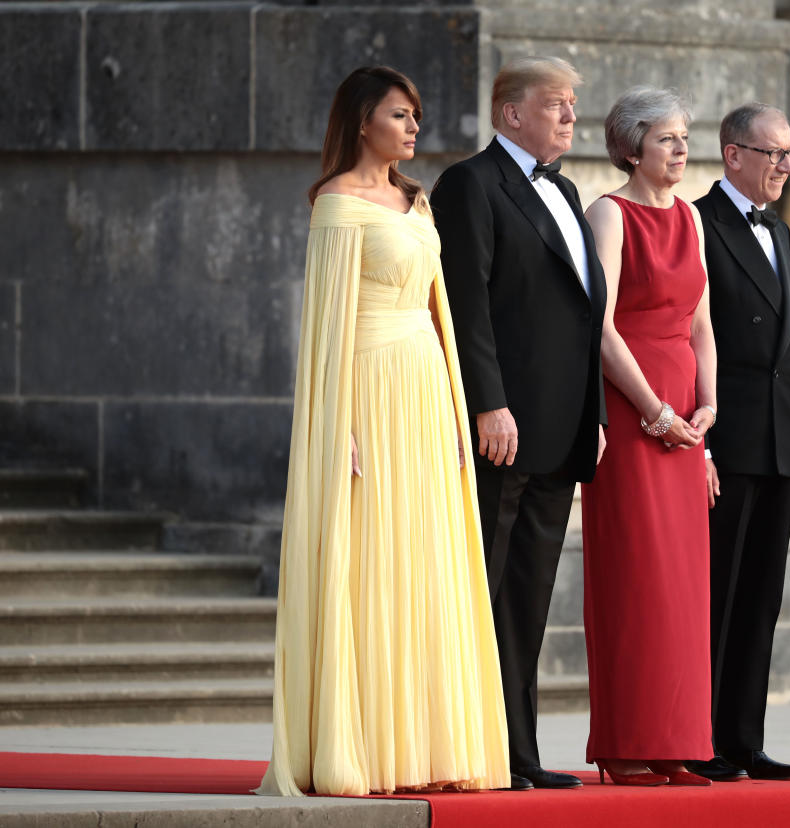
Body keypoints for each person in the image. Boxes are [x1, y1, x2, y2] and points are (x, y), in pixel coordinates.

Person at [256, 66, 509, 797]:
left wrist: (459, 413)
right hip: (367, 391)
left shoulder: (418, 202)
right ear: (362, 121)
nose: (412, 127)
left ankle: (427, 747)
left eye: (415, 116)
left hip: (428, 390)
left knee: (426, 561)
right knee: (370, 562)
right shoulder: (336, 205)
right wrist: (342, 426)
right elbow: (324, 332)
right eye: (399, 115)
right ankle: (361, 744)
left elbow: (441, 313)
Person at [429, 56, 607, 791]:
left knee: (528, 598)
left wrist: (592, 412)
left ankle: (519, 754)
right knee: (483, 588)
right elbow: (466, 303)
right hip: (501, 426)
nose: (570, 116)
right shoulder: (470, 184)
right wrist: (487, 401)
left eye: (573, 104)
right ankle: (466, 749)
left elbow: (582, 316)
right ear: (511, 113)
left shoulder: (565, 189)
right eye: (556, 104)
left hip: (561, 428)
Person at [580, 87, 718, 787]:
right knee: (635, 578)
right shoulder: (608, 214)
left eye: (685, 137)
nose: (681, 149)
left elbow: (701, 325)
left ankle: (674, 742)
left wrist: (707, 411)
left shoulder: (692, 218)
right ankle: (625, 744)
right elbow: (598, 328)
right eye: (667, 138)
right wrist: (654, 411)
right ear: (631, 145)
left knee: (682, 592)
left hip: (685, 426)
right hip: (633, 417)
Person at [687, 102, 790, 783]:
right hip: (728, 440)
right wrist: (698, 444)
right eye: (775, 154)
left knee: (763, 597)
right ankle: (700, 737)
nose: (787, 167)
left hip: (780, 443)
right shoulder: (698, 224)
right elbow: (687, 341)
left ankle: (745, 739)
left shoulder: (783, 232)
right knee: (720, 594)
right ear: (733, 154)